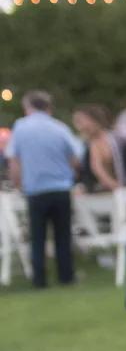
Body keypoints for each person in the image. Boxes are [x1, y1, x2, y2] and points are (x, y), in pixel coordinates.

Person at [6, 92, 84, 288]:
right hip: (60, 188)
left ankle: (39, 278)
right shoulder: (59, 127)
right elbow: (76, 157)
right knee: (63, 235)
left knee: (37, 236)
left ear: (28, 107)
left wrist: (17, 183)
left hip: (35, 189)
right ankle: (66, 275)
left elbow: (14, 160)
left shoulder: (21, 128)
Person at [72, 105, 126, 192]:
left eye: (80, 121)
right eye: (76, 123)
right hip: (106, 191)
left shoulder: (115, 139)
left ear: (94, 120)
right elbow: (97, 169)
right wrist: (116, 186)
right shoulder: (86, 144)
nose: (79, 127)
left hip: (118, 188)